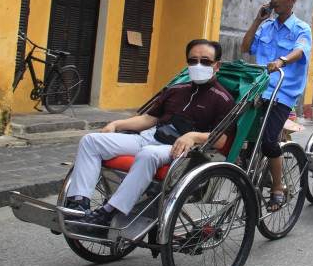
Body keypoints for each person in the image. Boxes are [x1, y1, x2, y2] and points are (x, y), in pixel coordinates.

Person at [65, 39, 236, 226]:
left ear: (216, 65)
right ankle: (78, 205)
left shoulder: (223, 99)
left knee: (148, 154)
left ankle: (110, 212)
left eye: (205, 61)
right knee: (91, 140)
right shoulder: (175, 90)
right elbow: (149, 119)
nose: (198, 65)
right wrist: (117, 124)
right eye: (193, 61)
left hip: (180, 151)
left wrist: (194, 136)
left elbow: (220, 141)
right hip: (150, 138)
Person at [242, 0, 312, 211]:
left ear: (292, 0)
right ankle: (249, 174)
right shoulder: (266, 27)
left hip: (282, 92)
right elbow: (245, 47)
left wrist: (281, 60)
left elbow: (300, 50)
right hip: (258, 89)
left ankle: (277, 188)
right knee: (242, 133)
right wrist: (258, 19)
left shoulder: (301, 28)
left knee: (270, 140)